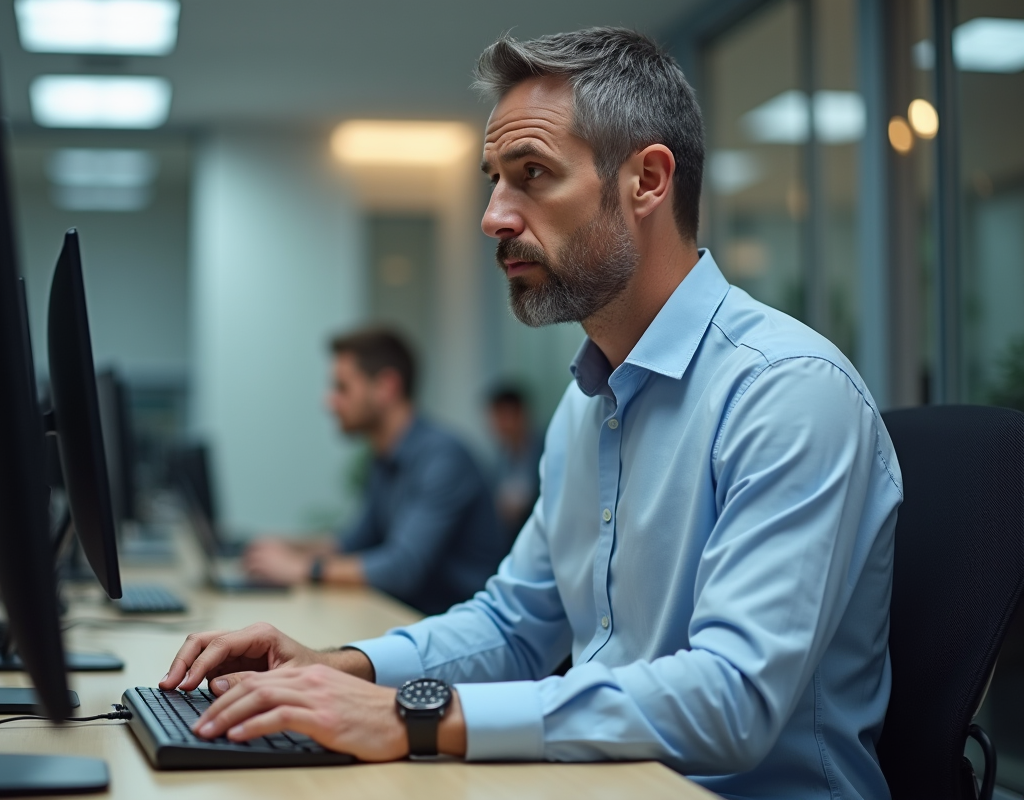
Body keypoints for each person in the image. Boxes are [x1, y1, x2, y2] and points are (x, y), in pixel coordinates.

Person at [160, 27, 902, 799]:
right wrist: (337, 667)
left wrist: (416, 716)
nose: (494, 216)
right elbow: (515, 626)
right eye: (494, 179)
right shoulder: (590, 406)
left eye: (532, 175)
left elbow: (731, 701)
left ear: (648, 180)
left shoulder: (786, 391)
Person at [242, 327, 502, 616]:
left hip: (459, 633)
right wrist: (280, 546)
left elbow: (403, 569)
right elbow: (351, 543)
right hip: (409, 620)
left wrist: (300, 568)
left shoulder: (443, 458)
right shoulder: (385, 458)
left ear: (386, 387)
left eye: (341, 388)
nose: (329, 401)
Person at [485, 383, 543, 546]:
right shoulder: (502, 458)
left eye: (505, 417)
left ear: (521, 415)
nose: (500, 425)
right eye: (496, 418)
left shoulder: (543, 449)